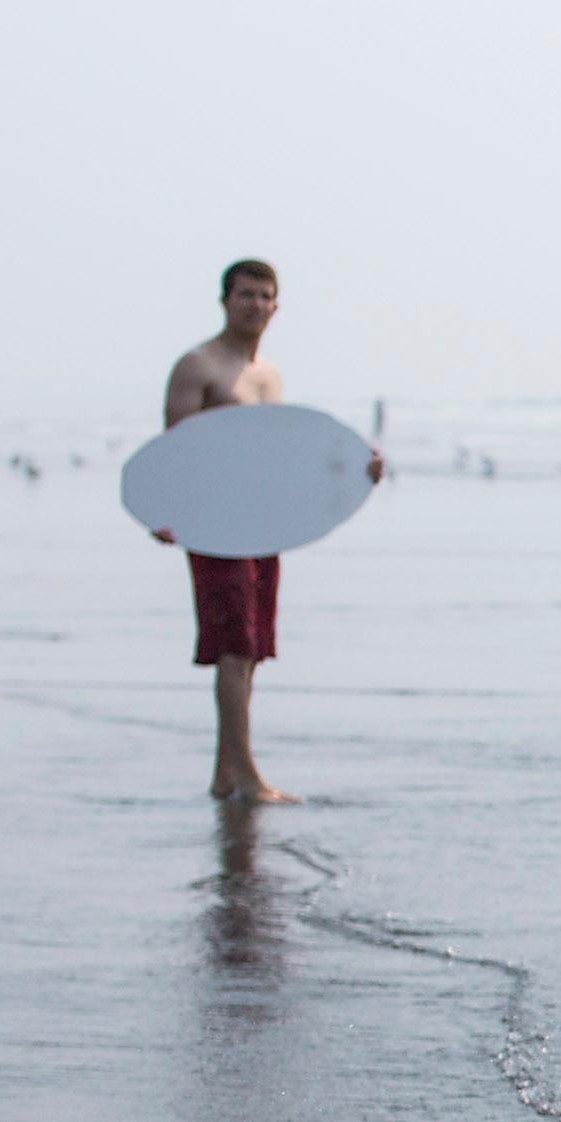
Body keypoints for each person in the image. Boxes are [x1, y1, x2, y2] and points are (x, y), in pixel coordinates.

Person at [151, 259, 378, 802]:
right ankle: (247, 775)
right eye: (245, 294)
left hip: (262, 525)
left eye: (264, 296)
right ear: (224, 300)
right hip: (215, 524)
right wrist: (168, 516)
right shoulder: (198, 366)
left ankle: (225, 773)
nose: (255, 304)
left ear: (277, 306)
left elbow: (282, 460)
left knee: (251, 650)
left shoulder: (269, 377)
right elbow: (173, 454)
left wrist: (355, 470)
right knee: (232, 647)